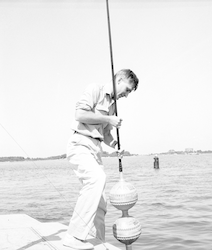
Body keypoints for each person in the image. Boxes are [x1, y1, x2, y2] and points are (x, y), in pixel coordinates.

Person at [63, 69, 139, 250]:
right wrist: (108, 118)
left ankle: (97, 242)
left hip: (95, 150)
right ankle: (73, 236)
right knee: (97, 179)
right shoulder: (95, 89)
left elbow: (104, 133)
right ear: (119, 79)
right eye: (127, 90)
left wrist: (115, 145)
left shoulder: (112, 106)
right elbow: (79, 115)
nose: (126, 95)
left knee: (100, 201)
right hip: (80, 143)